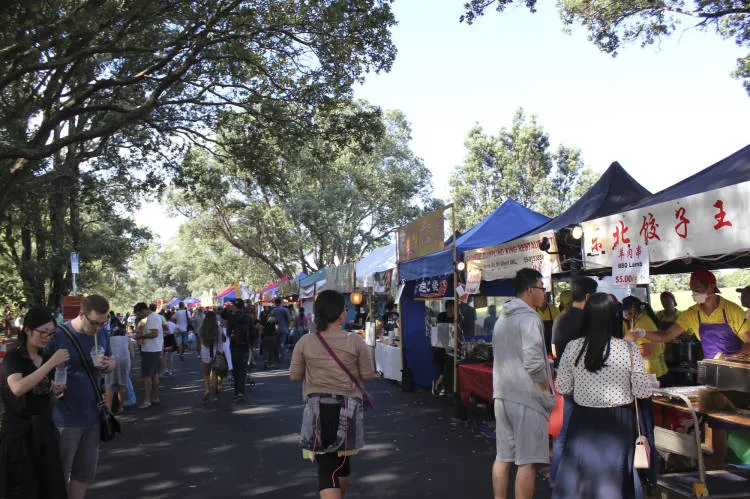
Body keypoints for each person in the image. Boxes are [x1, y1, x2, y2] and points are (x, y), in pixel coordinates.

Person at [628, 269, 750, 467]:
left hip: (739, 375)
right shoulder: (692, 314)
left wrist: (729, 357)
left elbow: (749, 342)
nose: (695, 294)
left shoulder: (731, 310)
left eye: (698, 289)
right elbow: (667, 336)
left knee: (740, 418)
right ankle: (718, 464)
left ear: (711, 287)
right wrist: (643, 332)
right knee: (715, 421)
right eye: (692, 290)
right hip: (713, 375)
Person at [553, 293, 658, 499]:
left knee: (582, 481)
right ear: (614, 317)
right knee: (616, 481)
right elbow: (642, 391)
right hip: (619, 423)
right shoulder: (628, 349)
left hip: (583, 421)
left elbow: (563, 387)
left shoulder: (573, 347)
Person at [289, 290, 373, 499]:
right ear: (341, 315)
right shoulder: (355, 341)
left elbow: (294, 376)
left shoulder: (305, 342)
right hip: (347, 409)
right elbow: (368, 374)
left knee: (327, 466)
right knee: (341, 463)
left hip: (317, 409)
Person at [492, 268, 557, 499]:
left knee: (504, 457)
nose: (544, 294)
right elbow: (534, 364)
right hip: (526, 399)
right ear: (530, 290)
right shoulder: (530, 318)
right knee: (527, 462)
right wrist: (546, 391)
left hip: (502, 395)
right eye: (542, 288)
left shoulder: (503, 317)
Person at [47, 294, 115, 499]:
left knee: (83, 475)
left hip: (92, 415)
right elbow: (39, 370)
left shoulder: (102, 334)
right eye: (94, 323)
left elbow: (112, 360)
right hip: (64, 418)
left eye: (103, 323)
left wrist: (109, 365)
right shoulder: (58, 336)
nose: (98, 328)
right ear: (81, 314)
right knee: (58, 475)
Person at [0, 308, 69, 499]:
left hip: (44, 431)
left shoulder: (45, 358)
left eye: (51, 333)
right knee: (23, 489)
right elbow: (18, 388)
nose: (47, 338)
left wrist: (55, 392)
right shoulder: (14, 358)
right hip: (19, 434)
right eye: (43, 332)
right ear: (28, 330)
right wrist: (51, 364)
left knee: (49, 486)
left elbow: (44, 394)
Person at [548, 275, 598, 484]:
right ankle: (581, 480)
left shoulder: (560, 319)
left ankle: (556, 474)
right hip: (585, 383)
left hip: (564, 380)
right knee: (585, 433)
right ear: (588, 296)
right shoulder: (587, 320)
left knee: (565, 433)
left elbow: (553, 349)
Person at [622, 296, 668, 384]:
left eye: (628, 313)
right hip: (657, 369)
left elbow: (645, 350)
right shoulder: (644, 319)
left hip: (651, 372)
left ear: (634, 311)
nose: (627, 317)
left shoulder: (641, 323)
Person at [133, 302, 163, 409]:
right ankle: (154, 397)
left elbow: (154, 333)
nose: (138, 316)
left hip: (150, 350)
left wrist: (141, 336)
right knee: (154, 374)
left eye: (138, 314)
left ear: (143, 310)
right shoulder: (152, 317)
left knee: (147, 376)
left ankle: (147, 400)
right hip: (154, 349)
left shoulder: (152, 318)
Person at [104, 320, 133, 412]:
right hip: (125, 361)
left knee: (109, 385)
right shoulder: (127, 339)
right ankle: (120, 407)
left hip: (111, 361)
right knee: (122, 384)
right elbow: (132, 355)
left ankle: (108, 408)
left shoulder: (108, 339)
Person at [228, 299, 251, 404]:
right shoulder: (248, 318)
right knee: (243, 370)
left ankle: (236, 392)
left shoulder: (231, 318)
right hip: (245, 346)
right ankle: (241, 392)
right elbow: (253, 333)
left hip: (234, 346)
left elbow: (228, 333)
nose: (231, 307)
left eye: (232, 305)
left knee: (236, 369)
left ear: (236, 306)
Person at [198, 310, 222, 402]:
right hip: (215, 353)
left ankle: (206, 390)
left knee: (206, 373)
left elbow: (201, 342)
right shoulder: (218, 328)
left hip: (205, 352)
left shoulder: (202, 328)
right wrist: (220, 352)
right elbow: (220, 342)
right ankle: (214, 392)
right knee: (215, 373)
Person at [433, 301, 453, 396]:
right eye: (449, 307)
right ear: (446, 308)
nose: (451, 309)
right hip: (440, 347)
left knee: (447, 369)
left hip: (451, 347)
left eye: (453, 307)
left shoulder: (457, 317)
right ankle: (437, 387)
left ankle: (445, 388)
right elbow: (439, 330)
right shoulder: (441, 316)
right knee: (439, 368)